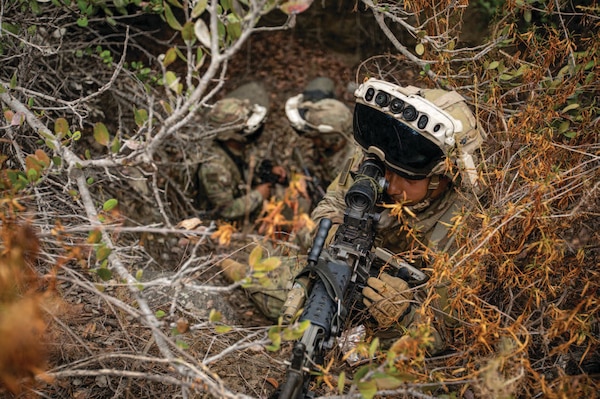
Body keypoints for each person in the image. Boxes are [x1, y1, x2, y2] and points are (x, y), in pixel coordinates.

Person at [222, 77, 487, 354]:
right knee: (269, 287)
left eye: (408, 180)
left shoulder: (465, 226)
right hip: (351, 273)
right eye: (389, 171)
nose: (391, 186)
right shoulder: (374, 166)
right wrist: (334, 230)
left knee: (396, 352)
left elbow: (448, 333)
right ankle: (253, 275)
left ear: (445, 175)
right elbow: (331, 203)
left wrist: (403, 314)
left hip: (395, 309)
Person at [196, 82, 287, 223]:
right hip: (220, 226)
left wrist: (269, 170)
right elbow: (225, 210)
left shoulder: (237, 147)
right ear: (231, 135)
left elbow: (246, 164)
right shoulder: (214, 168)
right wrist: (258, 195)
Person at [285, 77, 356, 200]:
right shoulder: (329, 146)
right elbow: (308, 158)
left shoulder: (351, 169)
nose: (311, 140)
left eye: (315, 137)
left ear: (331, 141)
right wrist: (301, 175)